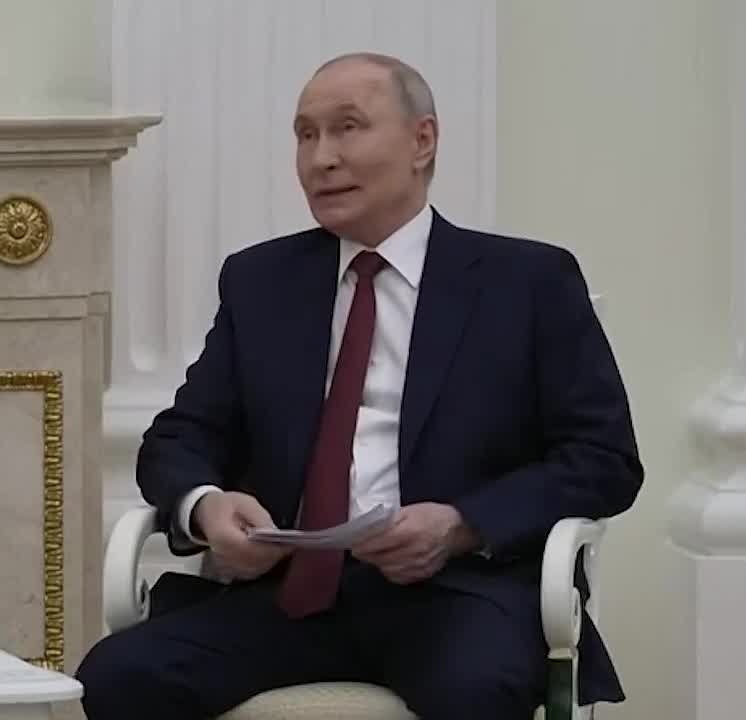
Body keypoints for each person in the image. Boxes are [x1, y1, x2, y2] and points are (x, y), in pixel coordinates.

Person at [76, 52, 643, 720]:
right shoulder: (261, 282)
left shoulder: (527, 283)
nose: (321, 158)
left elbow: (603, 460)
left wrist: (461, 525)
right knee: (117, 676)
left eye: (347, 128)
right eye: (305, 135)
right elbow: (179, 438)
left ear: (422, 141)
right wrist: (205, 506)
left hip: (457, 594)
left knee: (475, 689)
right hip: (285, 594)